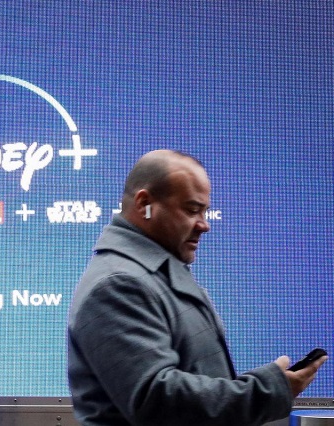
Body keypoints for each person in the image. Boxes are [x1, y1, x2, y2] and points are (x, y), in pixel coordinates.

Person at [67, 150, 328, 426]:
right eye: (192, 210)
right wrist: (265, 391)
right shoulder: (118, 285)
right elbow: (157, 403)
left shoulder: (155, 273)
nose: (204, 225)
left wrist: (260, 387)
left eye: (204, 211)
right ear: (145, 203)